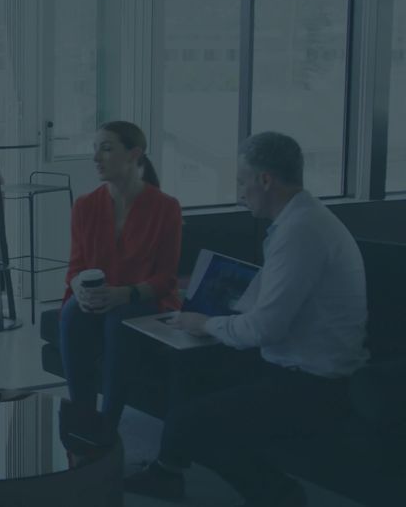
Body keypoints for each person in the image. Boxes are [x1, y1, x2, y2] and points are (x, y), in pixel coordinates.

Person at [125, 132, 369, 506]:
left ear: (265, 180)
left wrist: (204, 324)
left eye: (242, 182)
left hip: (312, 382)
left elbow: (264, 328)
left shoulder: (301, 232)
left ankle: (279, 494)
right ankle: (167, 471)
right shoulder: (300, 221)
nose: (239, 192)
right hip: (289, 361)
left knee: (194, 422)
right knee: (187, 365)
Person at [60, 120, 182, 442]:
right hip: (99, 298)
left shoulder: (166, 208)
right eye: (95, 149)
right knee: (72, 312)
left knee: (120, 318)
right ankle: (83, 418)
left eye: (107, 148)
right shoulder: (85, 206)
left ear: (134, 154)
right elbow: (75, 269)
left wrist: (125, 293)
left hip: (142, 300)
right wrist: (79, 292)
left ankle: (106, 427)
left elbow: (166, 279)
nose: (96, 158)